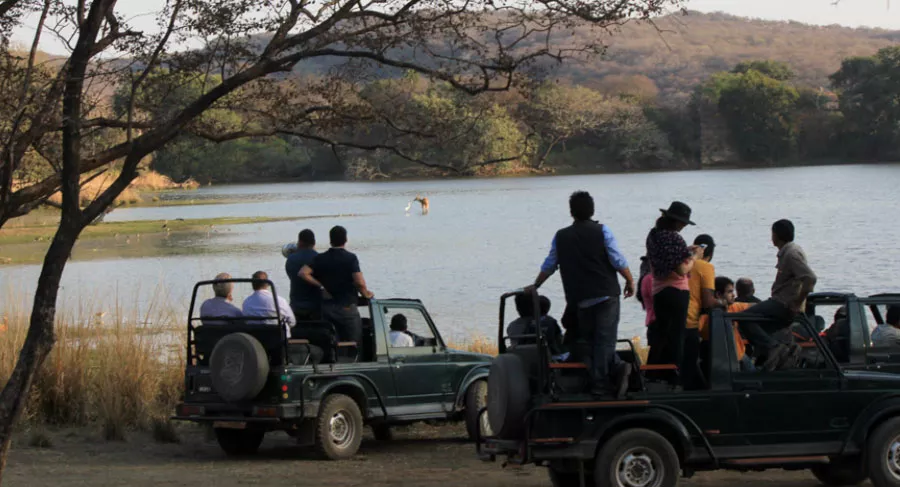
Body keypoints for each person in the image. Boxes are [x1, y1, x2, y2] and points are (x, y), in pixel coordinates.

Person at [528, 191, 635, 398]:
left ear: (572, 212)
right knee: (604, 341)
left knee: (589, 341)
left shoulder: (561, 236)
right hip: (606, 295)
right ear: (592, 210)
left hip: (580, 299)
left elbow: (550, 265)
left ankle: (608, 374)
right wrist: (630, 280)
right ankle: (602, 384)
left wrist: (536, 285)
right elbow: (617, 260)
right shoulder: (603, 231)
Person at [739, 219, 817, 372]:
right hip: (782, 302)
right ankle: (774, 353)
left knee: (744, 318)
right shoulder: (787, 252)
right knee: (760, 328)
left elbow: (810, 278)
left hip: (783, 304)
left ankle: (773, 348)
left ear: (776, 235)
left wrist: (797, 303)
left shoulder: (791, 253)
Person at [645, 201, 697, 380]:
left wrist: (684, 252)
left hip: (659, 291)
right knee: (677, 336)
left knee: (661, 335)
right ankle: (675, 375)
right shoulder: (675, 238)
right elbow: (681, 269)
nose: (683, 226)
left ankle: (652, 374)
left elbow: (665, 258)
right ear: (676, 222)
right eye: (683, 223)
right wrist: (693, 257)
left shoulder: (653, 235)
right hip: (677, 291)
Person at [300, 225, 374, 345]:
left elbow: (303, 273)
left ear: (330, 240)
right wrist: (366, 293)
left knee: (331, 342)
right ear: (345, 240)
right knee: (354, 343)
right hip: (347, 307)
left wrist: (321, 286)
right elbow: (359, 282)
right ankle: (355, 361)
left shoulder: (320, 258)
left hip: (327, 308)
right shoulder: (350, 258)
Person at [684, 234, 721, 389]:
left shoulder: (683, 262)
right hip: (690, 321)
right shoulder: (706, 267)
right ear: (710, 253)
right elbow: (707, 301)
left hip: (670, 318)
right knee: (689, 366)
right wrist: (724, 303)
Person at [699, 277, 755, 372]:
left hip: (739, 355)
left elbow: (755, 306)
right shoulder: (705, 315)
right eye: (730, 292)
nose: (734, 295)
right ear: (719, 294)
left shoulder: (733, 307)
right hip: (720, 359)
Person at [242, 271, 296, 336]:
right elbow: (292, 322)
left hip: (256, 338)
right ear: (267, 284)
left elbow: (246, 321)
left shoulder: (246, 302)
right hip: (279, 339)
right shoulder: (280, 300)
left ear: (252, 285)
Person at [286, 229, 321, 321]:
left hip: (295, 306)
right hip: (316, 307)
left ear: (300, 242)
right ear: (314, 243)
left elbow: (292, 277)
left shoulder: (290, 259)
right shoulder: (319, 258)